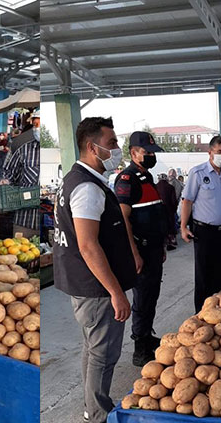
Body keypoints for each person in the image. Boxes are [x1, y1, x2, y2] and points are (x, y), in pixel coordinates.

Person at [53, 117, 135, 423]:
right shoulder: (87, 188)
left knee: (92, 348)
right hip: (96, 289)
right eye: (112, 143)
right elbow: (88, 245)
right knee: (103, 352)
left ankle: (93, 405)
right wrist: (116, 293)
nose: (116, 149)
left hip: (84, 285)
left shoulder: (77, 179)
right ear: (93, 147)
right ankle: (98, 413)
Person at [114, 131, 167, 367]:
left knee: (152, 295)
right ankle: (140, 349)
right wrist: (133, 253)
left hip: (154, 249)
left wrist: (162, 245)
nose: (152, 156)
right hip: (141, 251)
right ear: (134, 153)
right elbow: (124, 218)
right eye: (148, 153)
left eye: (153, 152)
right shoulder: (127, 179)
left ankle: (147, 336)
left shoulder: (148, 178)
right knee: (142, 298)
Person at [180, 136, 221, 312]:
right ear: (210, 153)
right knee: (204, 276)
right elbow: (187, 201)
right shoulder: (198, 173)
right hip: (204, 231)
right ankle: (200, 314)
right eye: (219, 152)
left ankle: (218, 311)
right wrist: (183, 226)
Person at [1, 120, 40, 239]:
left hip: (49, 223)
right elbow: (8, 174)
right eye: (35, 125)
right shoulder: (24, 150)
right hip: (25, 220)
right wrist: (5, 183)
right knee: (21, 254)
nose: (37, 128)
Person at [156, 173, 178, 250]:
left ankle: (162, 243)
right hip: (169, 210)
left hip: (158, 210)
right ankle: (171, 242)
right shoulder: (170, 187)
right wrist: (174, 210)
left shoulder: (155, 187)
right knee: (170, 226)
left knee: (161, 226)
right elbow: (174, 201)